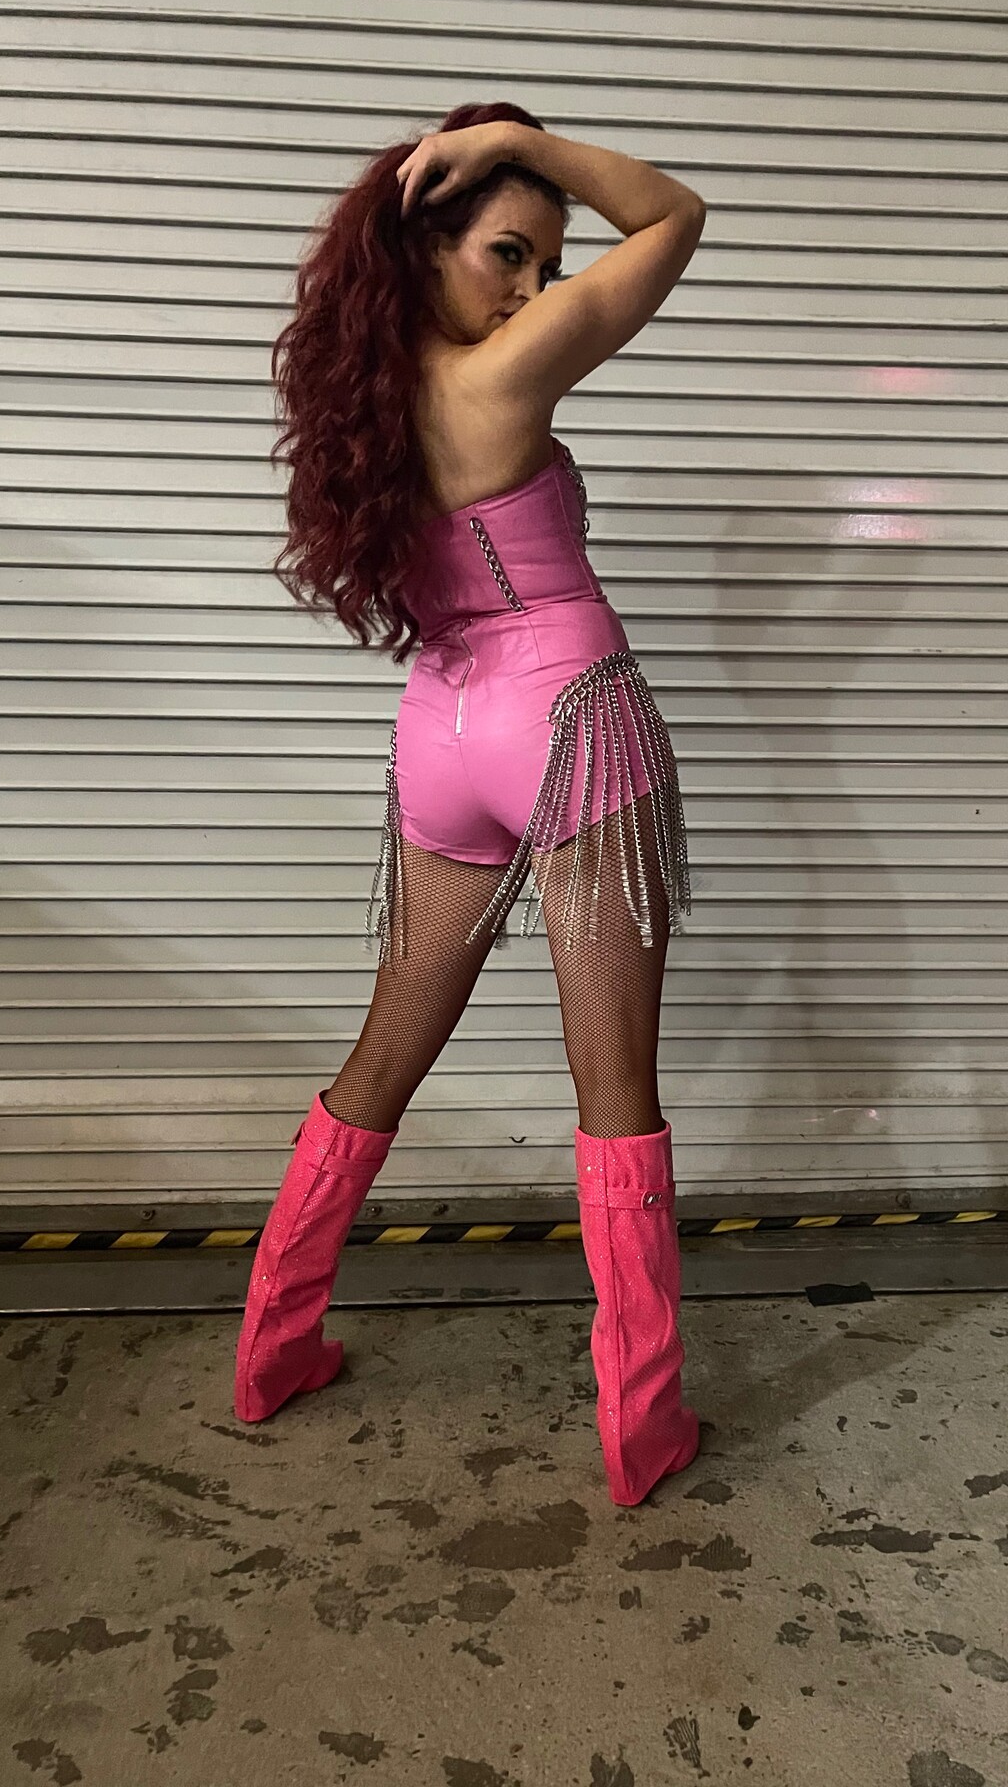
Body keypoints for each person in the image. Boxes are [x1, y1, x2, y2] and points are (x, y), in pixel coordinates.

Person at [233, 101, 707, 1507]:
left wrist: (510, 168)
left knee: (385, 1051)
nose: (535, 288)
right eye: (510, 251)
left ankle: (270, 1348)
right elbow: (677, 216)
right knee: (615, 1091)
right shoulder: (506, 376)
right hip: (570, 721)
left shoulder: (360, 400)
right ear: (425, 240)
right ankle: (642, 1426)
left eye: (547, 264)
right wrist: (534, 143)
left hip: (439, 731)